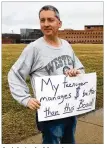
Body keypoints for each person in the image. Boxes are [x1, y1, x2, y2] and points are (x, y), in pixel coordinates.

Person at [8, 5, 85, 144]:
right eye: (42, 20)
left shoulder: (66, 45)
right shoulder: (34, 48)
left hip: (69, 108)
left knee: (69, 142)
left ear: (59, 23)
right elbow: (15, 73)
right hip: (49, 113)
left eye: (50, 20)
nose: (46, 24)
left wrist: (77, 72)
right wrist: (25, 98)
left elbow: (80, 68)